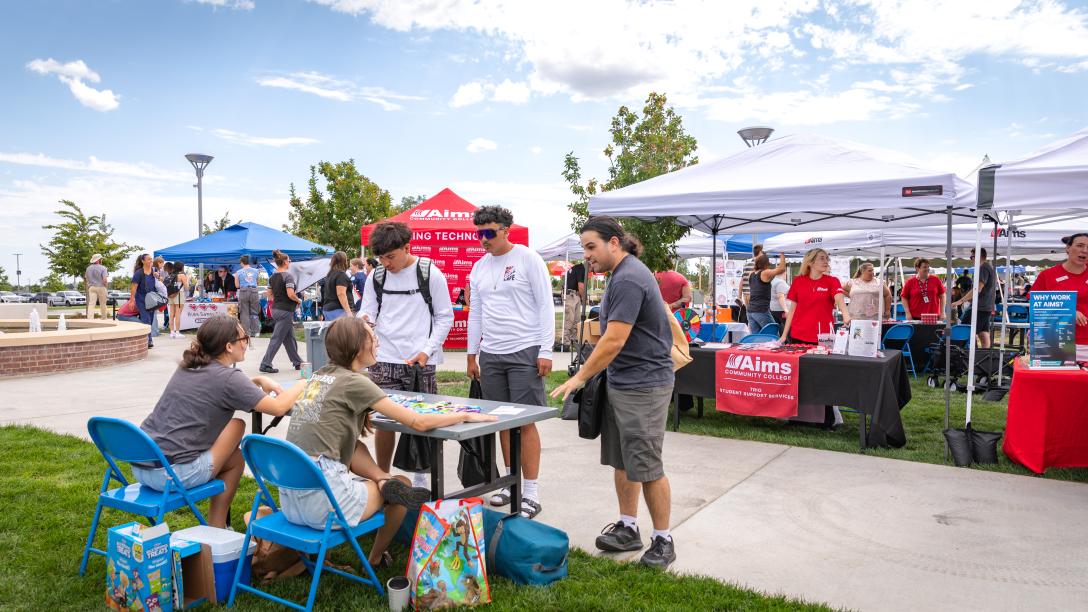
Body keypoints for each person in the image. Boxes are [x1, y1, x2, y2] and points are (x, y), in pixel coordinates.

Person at [282, 317, 495, 566]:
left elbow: (349, 445)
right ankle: (374, 559)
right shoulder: (355, 382)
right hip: (324, 505)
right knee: (402, 485)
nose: (377, 343)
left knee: (356, 449)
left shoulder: (319, 376)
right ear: (357, 346)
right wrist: (465, 414)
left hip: (292, 501)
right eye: (372, 338)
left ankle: (381, 480)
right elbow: (417, 422)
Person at [550, 216, 677, 569]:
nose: (587, 255)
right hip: (623, 382)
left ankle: (664, 539)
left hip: (645, 385)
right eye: (584, 248)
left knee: (647, 465)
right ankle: (628, 527)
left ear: (615, 243)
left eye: (592, 247)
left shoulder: (630, 278)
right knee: (623, 460)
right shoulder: (621, 276)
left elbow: (615, 339)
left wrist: (579, 378)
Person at [134, 314, 304, 528]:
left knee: (235, 459)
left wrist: (260, 380)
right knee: (237, 425)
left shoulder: (189, 365)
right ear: (229, 347)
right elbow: (279, 407)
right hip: (173, 475)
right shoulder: (229, 379)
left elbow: (220, 388)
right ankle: (216, 527)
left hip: (144, 465)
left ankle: (219, 528)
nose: (246, 344)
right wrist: (303, 383)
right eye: (244, 339)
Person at [466, 205, 552, 519]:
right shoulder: (478, 267)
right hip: (492, 354)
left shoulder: (528, 259)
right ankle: (510, 483)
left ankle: (531, 492)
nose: (483, 239)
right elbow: (475, 312)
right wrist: (471, 353)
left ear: (506, 230)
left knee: (524, 422)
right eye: (479, 233)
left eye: (489, 232)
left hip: (525, 350)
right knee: (502, 421)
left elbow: (545, 305)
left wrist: (546, 350)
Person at [358, 222, 454, 487]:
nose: (386, 263)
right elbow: (367, 311)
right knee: (384, 422)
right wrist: (365, 322)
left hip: (420, 361)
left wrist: (427, 351)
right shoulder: (376, 276)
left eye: (390, 256)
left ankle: (422, 477)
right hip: (384, 359)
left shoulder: (430, 273)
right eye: (380, 258)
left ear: (406, 248)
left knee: (422, 421)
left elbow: (445, 317)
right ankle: (383, 476)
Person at [1029, 233, 1088, 361]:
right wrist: (1068, 311)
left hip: (1086, 341)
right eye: (1080, 245)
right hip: (1055, 340)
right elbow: (1035, 304)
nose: (1085, 250)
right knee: (1056, 380)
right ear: (1068, 248)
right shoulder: (1048, 275)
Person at [779, 248, 852, 345]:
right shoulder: (798, 281)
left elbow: (839, 297)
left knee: (823, 360)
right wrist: (784, 336)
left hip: (824, 336)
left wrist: (845, 314)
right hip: (798, 334)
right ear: (810, 262)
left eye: (827, 259)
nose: (826, 261)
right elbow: (792, 311)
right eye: (822, 258)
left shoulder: (832, 281)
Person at [260, 249, 303, 373]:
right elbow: (290, 294)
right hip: (285, 310)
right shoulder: (288, 276)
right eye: (289, 260)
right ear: (284, 262)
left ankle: (297, 362)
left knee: (289, 338)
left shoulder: (273, 277)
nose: (289, 262)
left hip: (276, 309)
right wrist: (298, 300)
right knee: (277, 337)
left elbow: (269, 294)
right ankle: (265, 363)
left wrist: (277, 301)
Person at [953, 248, 997, 348]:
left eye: (971, 257)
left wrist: (960, 300)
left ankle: (971, 354)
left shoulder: (983, 268)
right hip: (986, 306)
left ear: (978, 256)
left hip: (980, 307)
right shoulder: (988, 267)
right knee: (983, 332)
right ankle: (984, 356)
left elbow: (978, 288)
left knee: (966, 330)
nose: (971, 259)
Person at [744, 252, 787, 334]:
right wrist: (782, 254)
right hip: (761, 310)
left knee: (756, 338)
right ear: (766, 264)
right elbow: (781, 269)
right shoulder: (765, 273)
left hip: (750, 311)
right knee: (773, 334)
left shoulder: (751, 274)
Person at [130, 254, 156, 348]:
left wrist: (158, 277)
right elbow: (134, 287)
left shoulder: (154, 271)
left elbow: (160, 283)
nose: (150, 261)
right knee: (146, 318)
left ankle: (146, 337)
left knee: (151, 319)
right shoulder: (139, 273)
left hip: (152, 299)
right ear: (143, 261)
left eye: (151, 259)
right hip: (141, 299)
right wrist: (132, 300)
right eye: (148, 259)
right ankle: (149, 340)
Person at [320, 252, 354, 322]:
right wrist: (348, 312)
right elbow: (341, 294)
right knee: (342, 332)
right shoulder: (340, 275)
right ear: (344, 261)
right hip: (338, 310)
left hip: (328, 309)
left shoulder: (330, 275)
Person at [234, 256, 261, 337]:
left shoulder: (238, 272)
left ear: (241, 262)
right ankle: (256, 332)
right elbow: (257, 283)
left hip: (243, 291)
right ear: (248, 262)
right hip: (254, 291)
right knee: (254, 312)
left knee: (244, 312)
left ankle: (247, 332)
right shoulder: (256, 271)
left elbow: (237, 285)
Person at [564, 261, 587, 349]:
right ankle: (566, 343)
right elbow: (581, 286)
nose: (591, 271)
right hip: (571, 295)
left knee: (576, 321)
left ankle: (573, 342)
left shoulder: (578, 268)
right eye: (592, 269)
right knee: (569, 320)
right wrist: (585, 299)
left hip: (575, 295)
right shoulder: (581, 269)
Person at [168, 261, 189, 338]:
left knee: (171, 314)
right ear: (181, 267)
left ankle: (171, 332)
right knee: (178, 314)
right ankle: (177, 332)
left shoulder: (171, 275)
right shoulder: (182, 275)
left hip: (170, 295)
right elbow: (187, 287)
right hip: (179, 294)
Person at [85, 253, 109, 320]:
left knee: (91, 304)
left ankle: (90, 319)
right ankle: (104, 318)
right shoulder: (103, 268)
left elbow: (86, 279)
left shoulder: (88, 268)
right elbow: (105, 280)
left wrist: (89, 286)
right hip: (101, 287)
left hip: (91, 287)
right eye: (101, 259)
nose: (102, 260)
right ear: (98, 260)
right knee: (103, 304)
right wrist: (106, 287)